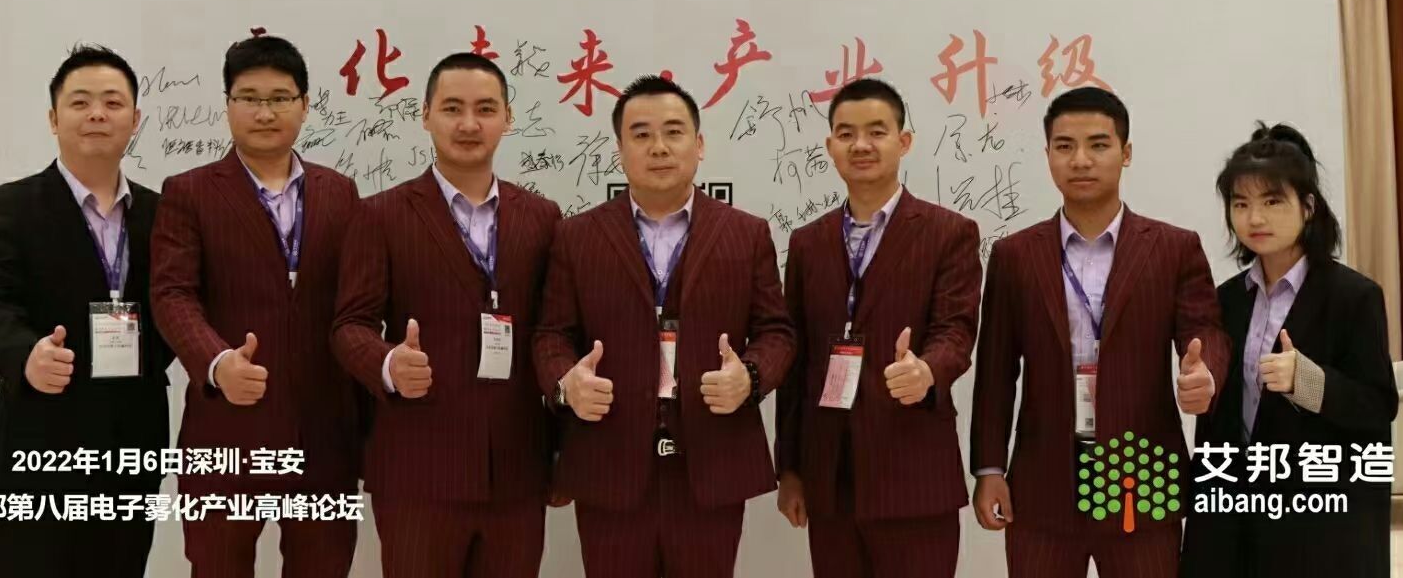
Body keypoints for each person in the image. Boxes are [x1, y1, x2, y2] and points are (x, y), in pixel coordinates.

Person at [533, 75, 795, 578]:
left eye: (674, 132)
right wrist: (566, 383)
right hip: (609, 462)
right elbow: (551, 334)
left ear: (699, 145)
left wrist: (750, 377)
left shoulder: (746, 233)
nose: (659, 147)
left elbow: (776, 332)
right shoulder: (576, 235)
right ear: (619, 150)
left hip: (711, 464)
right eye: (641, 134)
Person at [971, 87, 1230, 578]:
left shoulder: (1172, 248)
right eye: (1065, 146)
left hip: (1144, 476)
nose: (1081, 160)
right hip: (1042, 483)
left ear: (1125, 153)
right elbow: (995, 373)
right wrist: (989, 469)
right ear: (1048, 154)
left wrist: (1206, 375)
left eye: (1098, 144)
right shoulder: (1014, 255)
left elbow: (1205, 330)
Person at [333, 53, 563, 578]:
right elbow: (350, 325)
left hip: (517, 471)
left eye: (485, 109)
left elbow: (555, 333)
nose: (468, 124)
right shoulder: (380, 215)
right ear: (425, 115)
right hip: (419, 470)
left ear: (508, 118)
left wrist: (563, 453)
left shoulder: (543, 217)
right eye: (452, 108)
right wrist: (387, 364)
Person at [151, 34, 363, 578]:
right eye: (249, 98)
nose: (265, 112)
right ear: (228, 105)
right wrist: (217, 362)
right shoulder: (190, 191)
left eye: (280, 98)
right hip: (227, 432)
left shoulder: (340, 192)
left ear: (305, 105)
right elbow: (172, 293)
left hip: (323, 437)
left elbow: (356, 304)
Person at [0, 45, 170, 578]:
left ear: (135, 120)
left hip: (131, 447)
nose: (97, 113)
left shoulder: (164, 213)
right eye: (80, 102)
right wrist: (26, 355)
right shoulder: (8, 207)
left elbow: (178, 304)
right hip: (40, 447)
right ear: (54, 119)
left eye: (112, 103)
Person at [774, 78, 982, 577]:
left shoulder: (948, 233)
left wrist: (927, 371)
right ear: (830, 146)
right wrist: (791, 468)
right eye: (846, 134)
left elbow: (956, 332)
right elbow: (795, 362)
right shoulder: (806, 242)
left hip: (913, 472)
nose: (861, 145)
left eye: (876, 132)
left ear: (903, 141)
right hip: (830, 477)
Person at [1181, 123, 1397, 578]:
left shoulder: (1353, 296)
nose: (1255, 218)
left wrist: (1308, 382)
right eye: (1241, 203)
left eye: (1272, 201)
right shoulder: (1226, 299)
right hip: (1235, 518)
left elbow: (1379, 406)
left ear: (1308, 207)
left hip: (1315, 523)